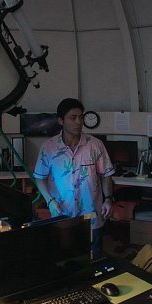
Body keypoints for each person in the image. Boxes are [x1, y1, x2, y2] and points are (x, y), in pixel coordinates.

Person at [33, 98, 115, 254]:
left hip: (91, 215)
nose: (79, 122)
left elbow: (106, 174)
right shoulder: (49, 148)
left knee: (94, 257)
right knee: (65, 258)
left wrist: (108, 199)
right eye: (73, 118)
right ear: (61, 121)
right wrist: (49, 201)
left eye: (81, 117)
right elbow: (39, 177)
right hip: (63, 215)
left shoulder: (95, 145)